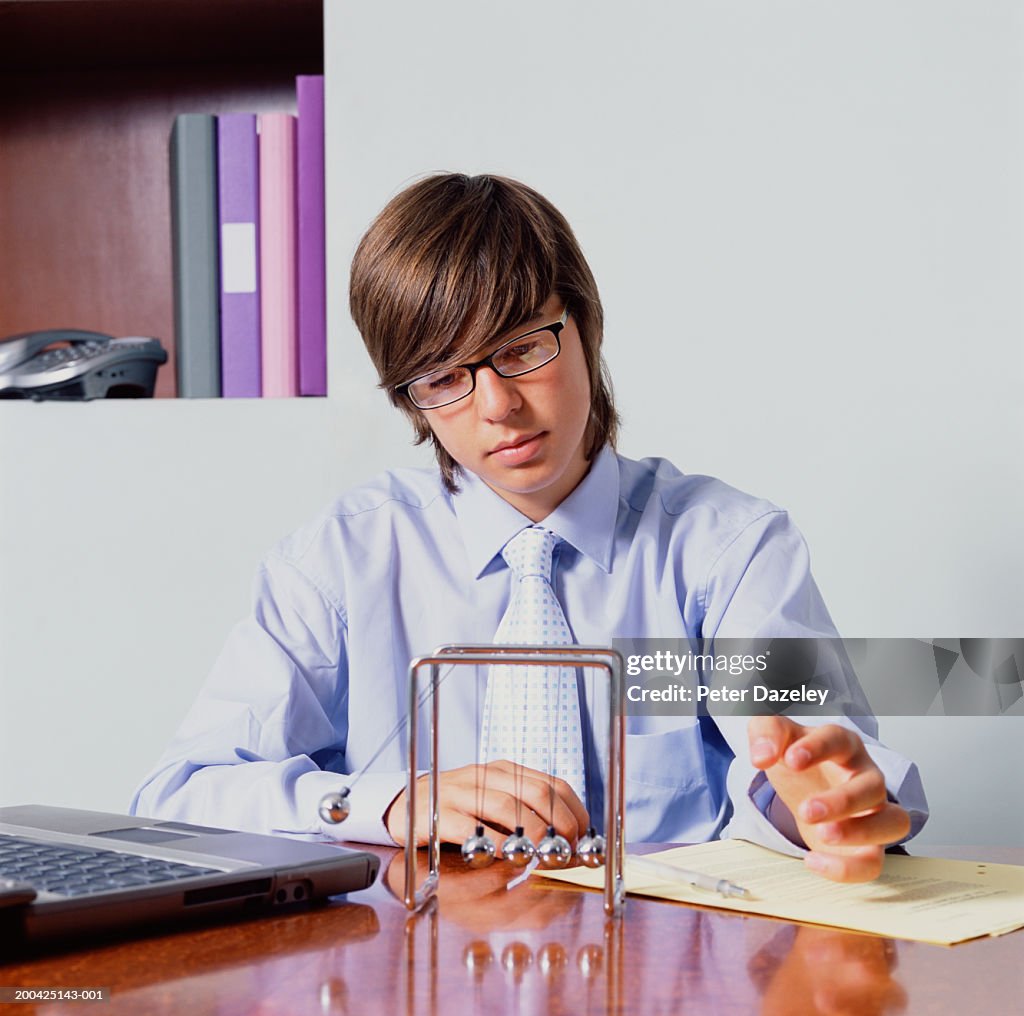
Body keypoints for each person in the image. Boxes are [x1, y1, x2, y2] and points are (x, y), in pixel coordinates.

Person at [131, 174, 927, 883]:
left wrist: (823, 810)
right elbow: (179, 795)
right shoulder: (339, 563)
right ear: (409, 398)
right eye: (443, 376)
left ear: (586, 327)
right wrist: (389, 802)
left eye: (520, 349)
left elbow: (810, 770)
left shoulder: (726, 550)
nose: (496, 406)